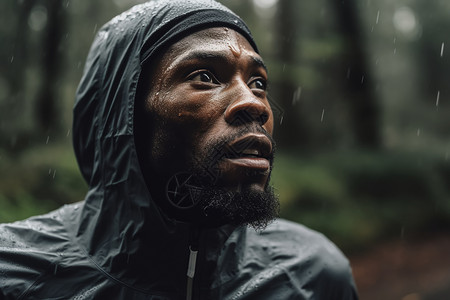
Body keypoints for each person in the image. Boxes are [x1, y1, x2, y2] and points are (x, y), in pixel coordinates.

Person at [0, 0, 359, 299]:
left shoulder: (312, 274)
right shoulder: (16, 276)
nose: (255, 104)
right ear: (121, 118)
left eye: (258, 82)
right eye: (204, 76)